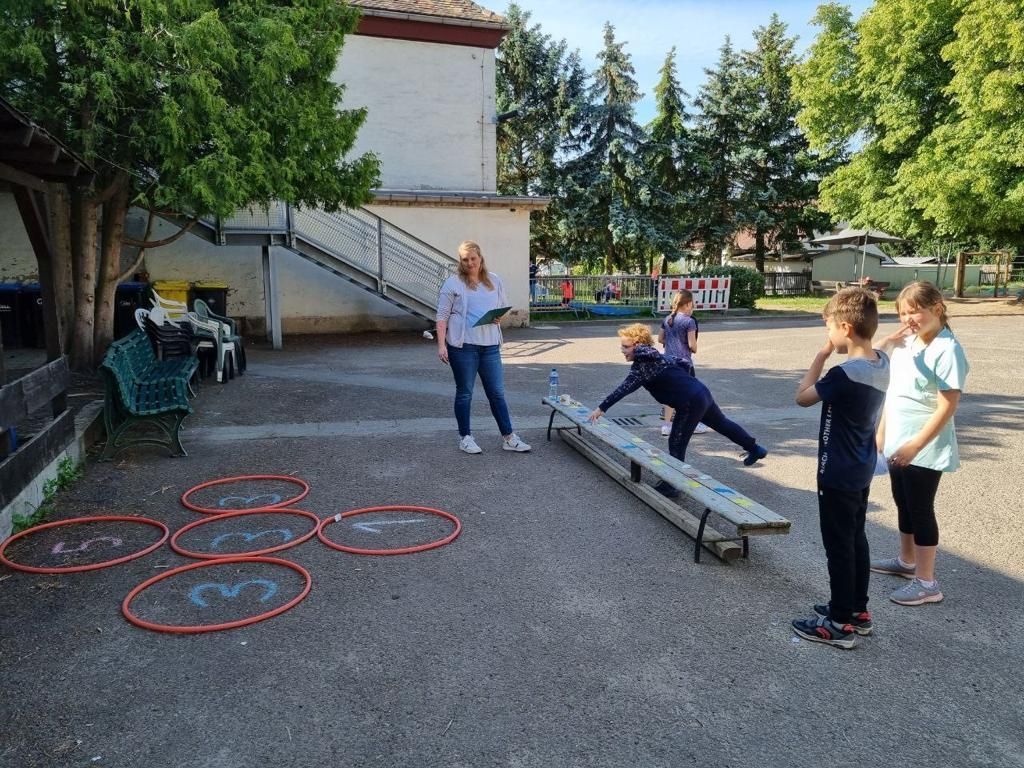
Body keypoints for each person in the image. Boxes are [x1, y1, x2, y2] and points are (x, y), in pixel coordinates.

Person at [790, 287, 890, 649]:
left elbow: (802, 397)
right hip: (861, 467)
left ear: (845, 328)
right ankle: (856, 610)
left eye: (829, 328)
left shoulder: (844, 374)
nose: (828, 335)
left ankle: (838, 623)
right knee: (855, 538)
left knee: (839, 547)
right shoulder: (882, 362)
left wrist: (822, 354)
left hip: (837, 472)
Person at [870, 281, 969, 606]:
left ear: (937, 308)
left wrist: (915, 445)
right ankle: (907, 561)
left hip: (923, 445)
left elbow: (947, 406)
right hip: (898, 439)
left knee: (921, 509)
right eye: (903, 313)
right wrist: (882, 431)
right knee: (903, 502)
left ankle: (927, 582)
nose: (908, 319)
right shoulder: (909, 342)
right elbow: (893, 391)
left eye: (914, 312)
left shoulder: (947, 349)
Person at [588, 323, 767, 497]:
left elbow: (623, 389)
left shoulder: (642, 365)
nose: (622, 350)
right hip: (701, 392)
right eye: (622, 346)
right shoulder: (657, 356)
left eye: (626, 347)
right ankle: (755, 448)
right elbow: (684, 363)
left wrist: (602, 408)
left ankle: (673, 484)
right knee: (722, 424)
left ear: (638, 345)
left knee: (676, 441)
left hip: (689, 402)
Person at [435, 240, 531, 455]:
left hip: (490, 346)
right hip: (463, 347)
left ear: (480, 258)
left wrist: (499, 317)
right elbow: (442, 316)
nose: (470, 263)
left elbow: (503, 307)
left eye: (473, 258)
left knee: (497, 393)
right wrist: (441, 345)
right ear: (460, 261)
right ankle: (465, 437)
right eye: (465, 260)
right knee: (465, 393)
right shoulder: (452, 284)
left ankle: (509, 437)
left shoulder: (494, 280)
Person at [657, 290, 708, 437]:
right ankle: (693, 424)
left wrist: (671, 342)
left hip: (668, 362)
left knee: (670, 394)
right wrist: (692, 347)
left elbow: (660, 339)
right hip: (684, 363)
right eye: (692, 303)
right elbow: (692, 345)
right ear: (687, 304)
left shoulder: (667, 319)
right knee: (693, 394)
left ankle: (666, 426)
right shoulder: (689, 321)